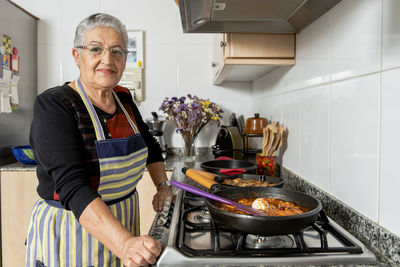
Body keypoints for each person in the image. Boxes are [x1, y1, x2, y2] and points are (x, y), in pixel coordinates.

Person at [25, 13, 174, 267]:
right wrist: (125, 243)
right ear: (76, 56)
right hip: (71, 236)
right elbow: (73, 185)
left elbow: (149, 144)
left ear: (126, 60)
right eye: (96, 49)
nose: (107, 60)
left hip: (123, 227)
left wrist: (162, 185)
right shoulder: (55, 105)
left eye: (117, 52)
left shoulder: (124, 99)